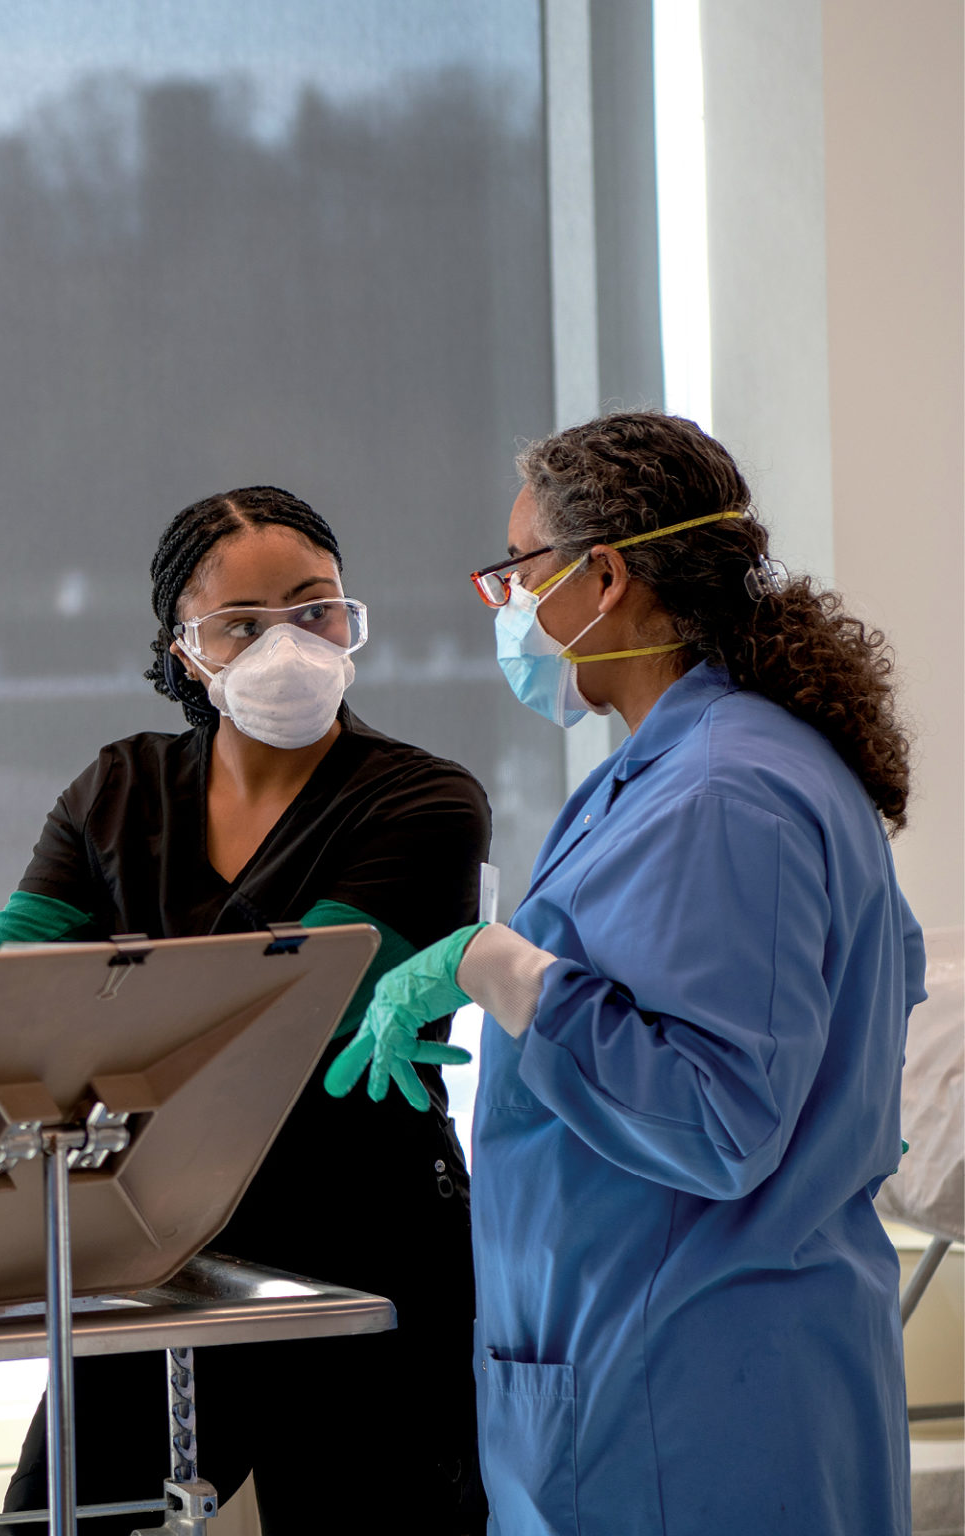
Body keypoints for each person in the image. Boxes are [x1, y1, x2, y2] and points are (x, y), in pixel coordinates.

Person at [331, 412, 923, 1535]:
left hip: (688, 1398)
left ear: (603, 576)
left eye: (514, 570)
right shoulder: (688, 769)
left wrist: (495, 965)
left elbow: (718, 1119)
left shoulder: (719, 794)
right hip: (683, 1374)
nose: (502, 604)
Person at [0, 489, 489, 1533]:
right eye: (242, 625)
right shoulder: (117, 788)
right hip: (154, 1248)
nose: (287, 645)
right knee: (59, 1518)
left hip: (364, 1236)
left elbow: (294, 1030)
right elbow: (1, 1003)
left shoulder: (422, 801)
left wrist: (111, 1015)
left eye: (315, 610)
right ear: (183, 651)